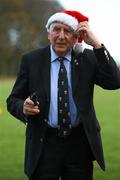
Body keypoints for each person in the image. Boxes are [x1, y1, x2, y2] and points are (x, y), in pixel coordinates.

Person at [6, 10, 120, 180]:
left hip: (80, 146)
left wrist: (97, 45)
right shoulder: (31, 60)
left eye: (67, 31)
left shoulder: (88, 58)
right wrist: (22, 107)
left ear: (76, 37)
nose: (61, 36)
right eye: (56, 29)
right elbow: (12, 100)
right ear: (48, 33)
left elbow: (114, 82)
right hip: (43, 144)